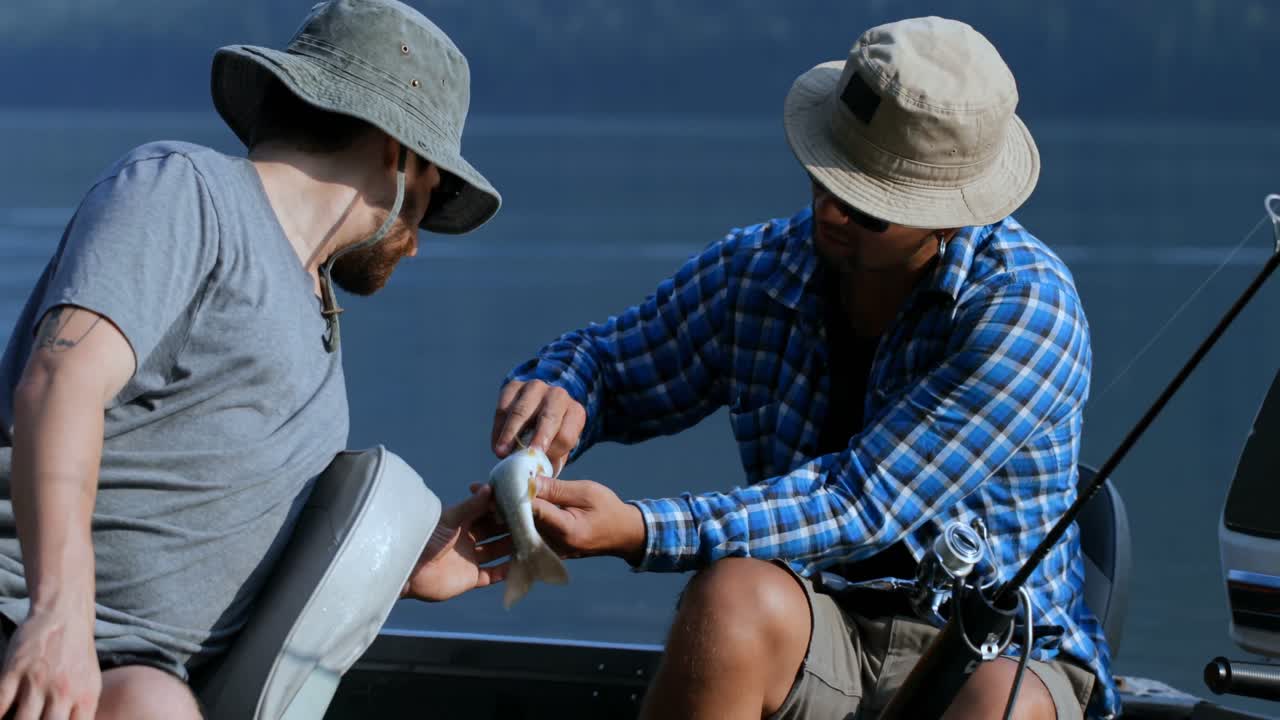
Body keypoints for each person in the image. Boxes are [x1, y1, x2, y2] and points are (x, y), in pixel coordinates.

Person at [493, 16, 1117, 720]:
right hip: (820, 623)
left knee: (998, 706)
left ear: (949, 219)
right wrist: (561, 391)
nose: (832, 212)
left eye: (867, 206)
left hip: (991, 651)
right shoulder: (760, 268)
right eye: (825, 178)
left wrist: (640, 529)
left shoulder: (1026, 310)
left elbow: (860, 502)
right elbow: (612, 360)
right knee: (728, 596)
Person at [0, 1, 509, 717]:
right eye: (430, 198)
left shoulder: (315, 308)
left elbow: (216, 519)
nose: (419, 239)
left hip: (141, 672)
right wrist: (58, 617)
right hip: (29, 630)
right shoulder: (184, 191)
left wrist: (398, 561)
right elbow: (60, 384)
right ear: (400, 154)